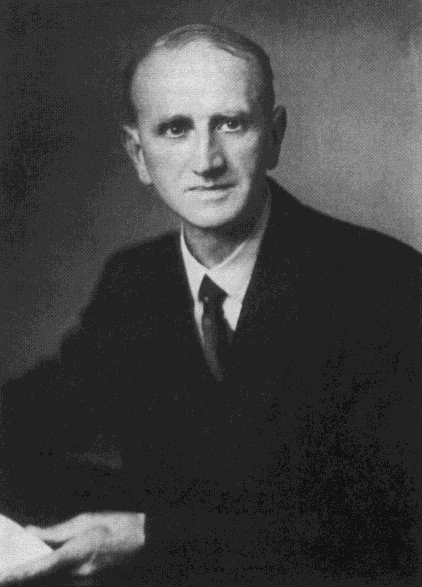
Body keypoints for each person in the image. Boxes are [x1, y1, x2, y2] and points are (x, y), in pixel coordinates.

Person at [0, 22, 421, 586]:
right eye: (175, 129)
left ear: (274, 136)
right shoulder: (134, 281)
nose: (206, 160)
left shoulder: (385, 283)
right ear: (139, 154)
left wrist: (152, 533)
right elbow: (42, 412)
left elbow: (387, 523)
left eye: (231, 123)